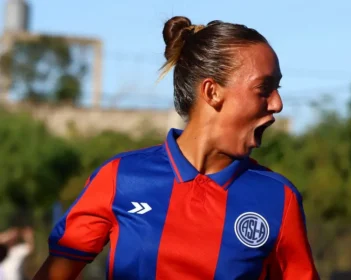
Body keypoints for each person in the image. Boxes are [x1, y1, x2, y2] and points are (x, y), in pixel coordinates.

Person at [33, 16, 319, 280]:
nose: (277, 103)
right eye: (264, 88)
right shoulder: (120, 177)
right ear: (212, 92)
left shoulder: (279, 198)